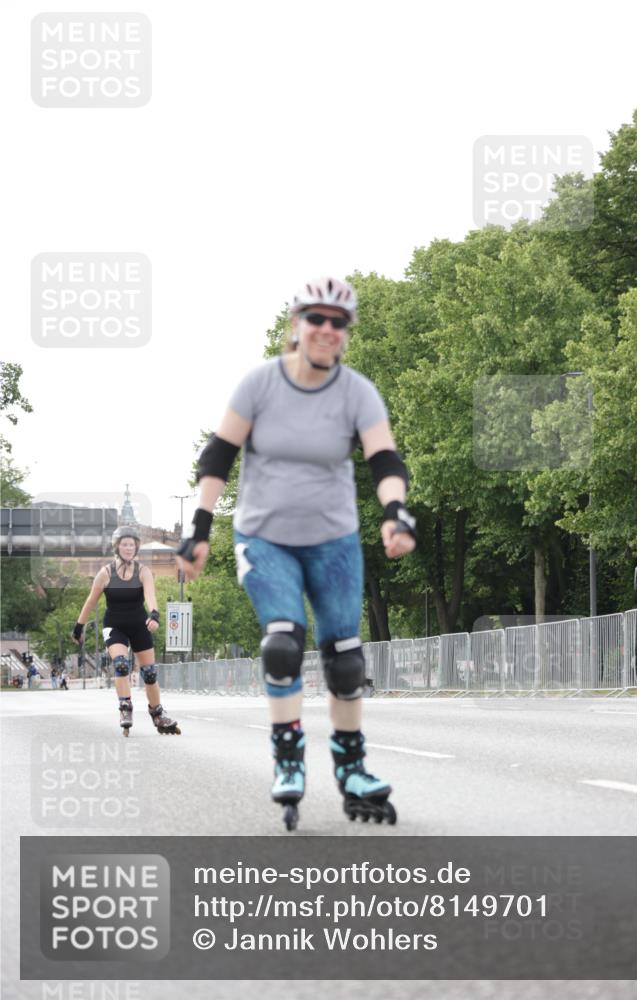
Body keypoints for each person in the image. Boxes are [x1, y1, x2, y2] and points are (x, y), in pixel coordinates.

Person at [177, 276, 416, 829]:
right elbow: (218, 455)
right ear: (296, 325)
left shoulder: (357, 392)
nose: (327, 330)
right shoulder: (259, 385)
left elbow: (385, 460)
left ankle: (351, 769)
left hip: (333, 540)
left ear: (345, 334)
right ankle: (288, 761)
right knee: (283, 643)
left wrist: (395, 512)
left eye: (338, 323)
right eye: (316, 318)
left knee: (347, 657)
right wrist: (200, 527)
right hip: (266, 538)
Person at [72, 526, 180, 736]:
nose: (129, 548)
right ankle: (125, 708)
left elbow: (150, 596)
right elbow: (90, 601)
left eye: (132, 544)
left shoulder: (143, 571)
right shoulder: (105, 573)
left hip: (139, 624)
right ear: (117, 547)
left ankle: (157, 713)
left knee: (149, 673)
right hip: (114, 625)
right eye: (125, 544)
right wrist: (79, 627)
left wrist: (154, 615)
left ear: (136, 547)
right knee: (121, 665)